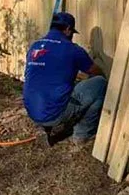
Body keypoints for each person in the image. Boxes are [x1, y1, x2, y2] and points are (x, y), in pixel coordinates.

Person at [23, 12, 106, 146]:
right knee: (100, 83)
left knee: (51, 88)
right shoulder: (72, 49)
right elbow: (96, 72)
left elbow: (44, 73)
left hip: (32, 110)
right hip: (55, 114)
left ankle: (42, 127)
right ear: (67, 30)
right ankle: (82, 134)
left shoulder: (35, 46)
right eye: (72, 32)